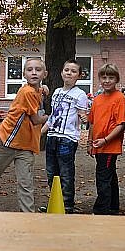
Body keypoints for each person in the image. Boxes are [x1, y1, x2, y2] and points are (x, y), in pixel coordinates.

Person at [0, 58, 49, 213]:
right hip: (7, 142)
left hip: (26, 146)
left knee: (26, 182)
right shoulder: (26, 92)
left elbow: (39, 92)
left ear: (44, 74)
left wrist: (43, 89)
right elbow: (36, 120)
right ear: (24, 74)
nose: (34, 73)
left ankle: (28, 215)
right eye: (30, 70)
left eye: (38, 70)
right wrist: (49, 118)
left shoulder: (36, 91)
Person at [41, 59, 89, 214]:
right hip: (52, 137)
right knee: (51, 172)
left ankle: (67, 205)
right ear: (62, 73)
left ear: (79, 76)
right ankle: (55, 202)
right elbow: (53, 116)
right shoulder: (56, 92)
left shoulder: (80, 94)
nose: (69, 73)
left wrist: (85, 119)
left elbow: (83, 115)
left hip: (67, 139)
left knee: (66, 173)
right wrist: (41, 132)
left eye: (73, 71)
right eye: (66, 70)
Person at [87, 64, 125, 215]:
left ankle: (101, 210)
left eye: (111, 77)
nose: (107, 81)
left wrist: (105, 140)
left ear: (116, 79)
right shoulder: (97, 99)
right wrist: (89, 142)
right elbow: (92, 123)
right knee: (109, 176)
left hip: (109, 146)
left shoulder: (119, 98)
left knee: (103, 177)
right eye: (104, 77)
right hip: (98, 145)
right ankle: (112, 206)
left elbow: (121, 124)